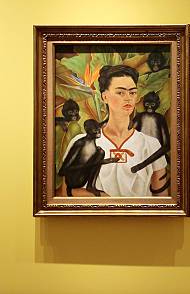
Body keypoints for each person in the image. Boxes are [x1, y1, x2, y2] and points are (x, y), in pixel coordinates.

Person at [60, 65, 168, 197]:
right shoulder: (81, 142)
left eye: (132, 92)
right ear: (104, 97)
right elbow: (66, 194)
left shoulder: (151, 145)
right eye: (120, 92)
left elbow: (161, 198)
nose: (128, 98)